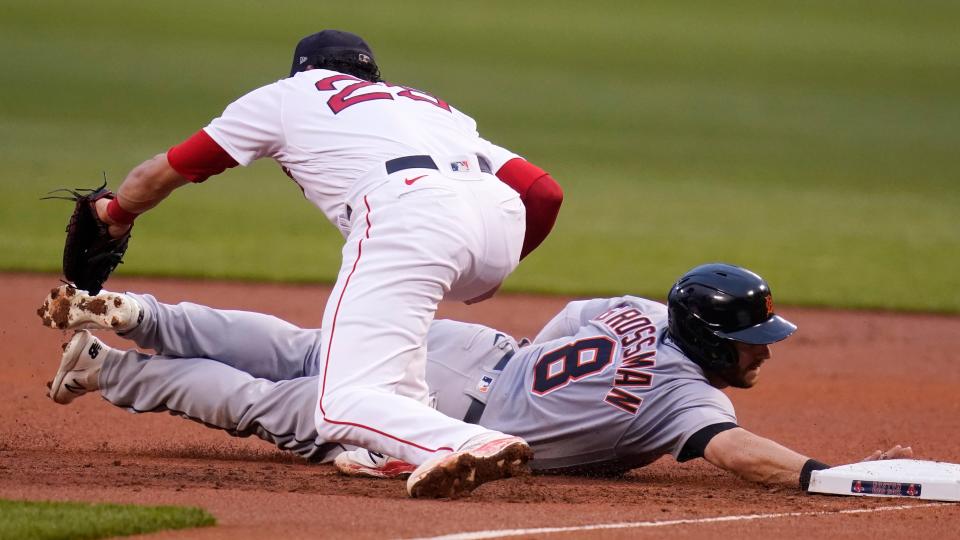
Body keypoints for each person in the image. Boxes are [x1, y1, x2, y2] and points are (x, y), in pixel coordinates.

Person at [86, 29, 564, 497]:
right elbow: (544, 192)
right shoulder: (429, 106)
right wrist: (486, 270)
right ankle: (393, 451)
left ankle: (471, 442)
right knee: (401, 337)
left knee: (338, 405)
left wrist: (115, 213)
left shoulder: (286, 95)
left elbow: (163, 171)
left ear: (302, 70)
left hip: (412, 214)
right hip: (499, 222)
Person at [39, 263, 911, 492]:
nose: (764, 350)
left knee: (304, 347)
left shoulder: (638, 309)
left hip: (475, 350)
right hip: (447, 413)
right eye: (753, 340)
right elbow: (736, 454)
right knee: (281, 410)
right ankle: (111, 366)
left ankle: (143, 315)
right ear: (714, 343)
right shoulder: (690, 397)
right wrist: (819, 478)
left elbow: (564, 323)